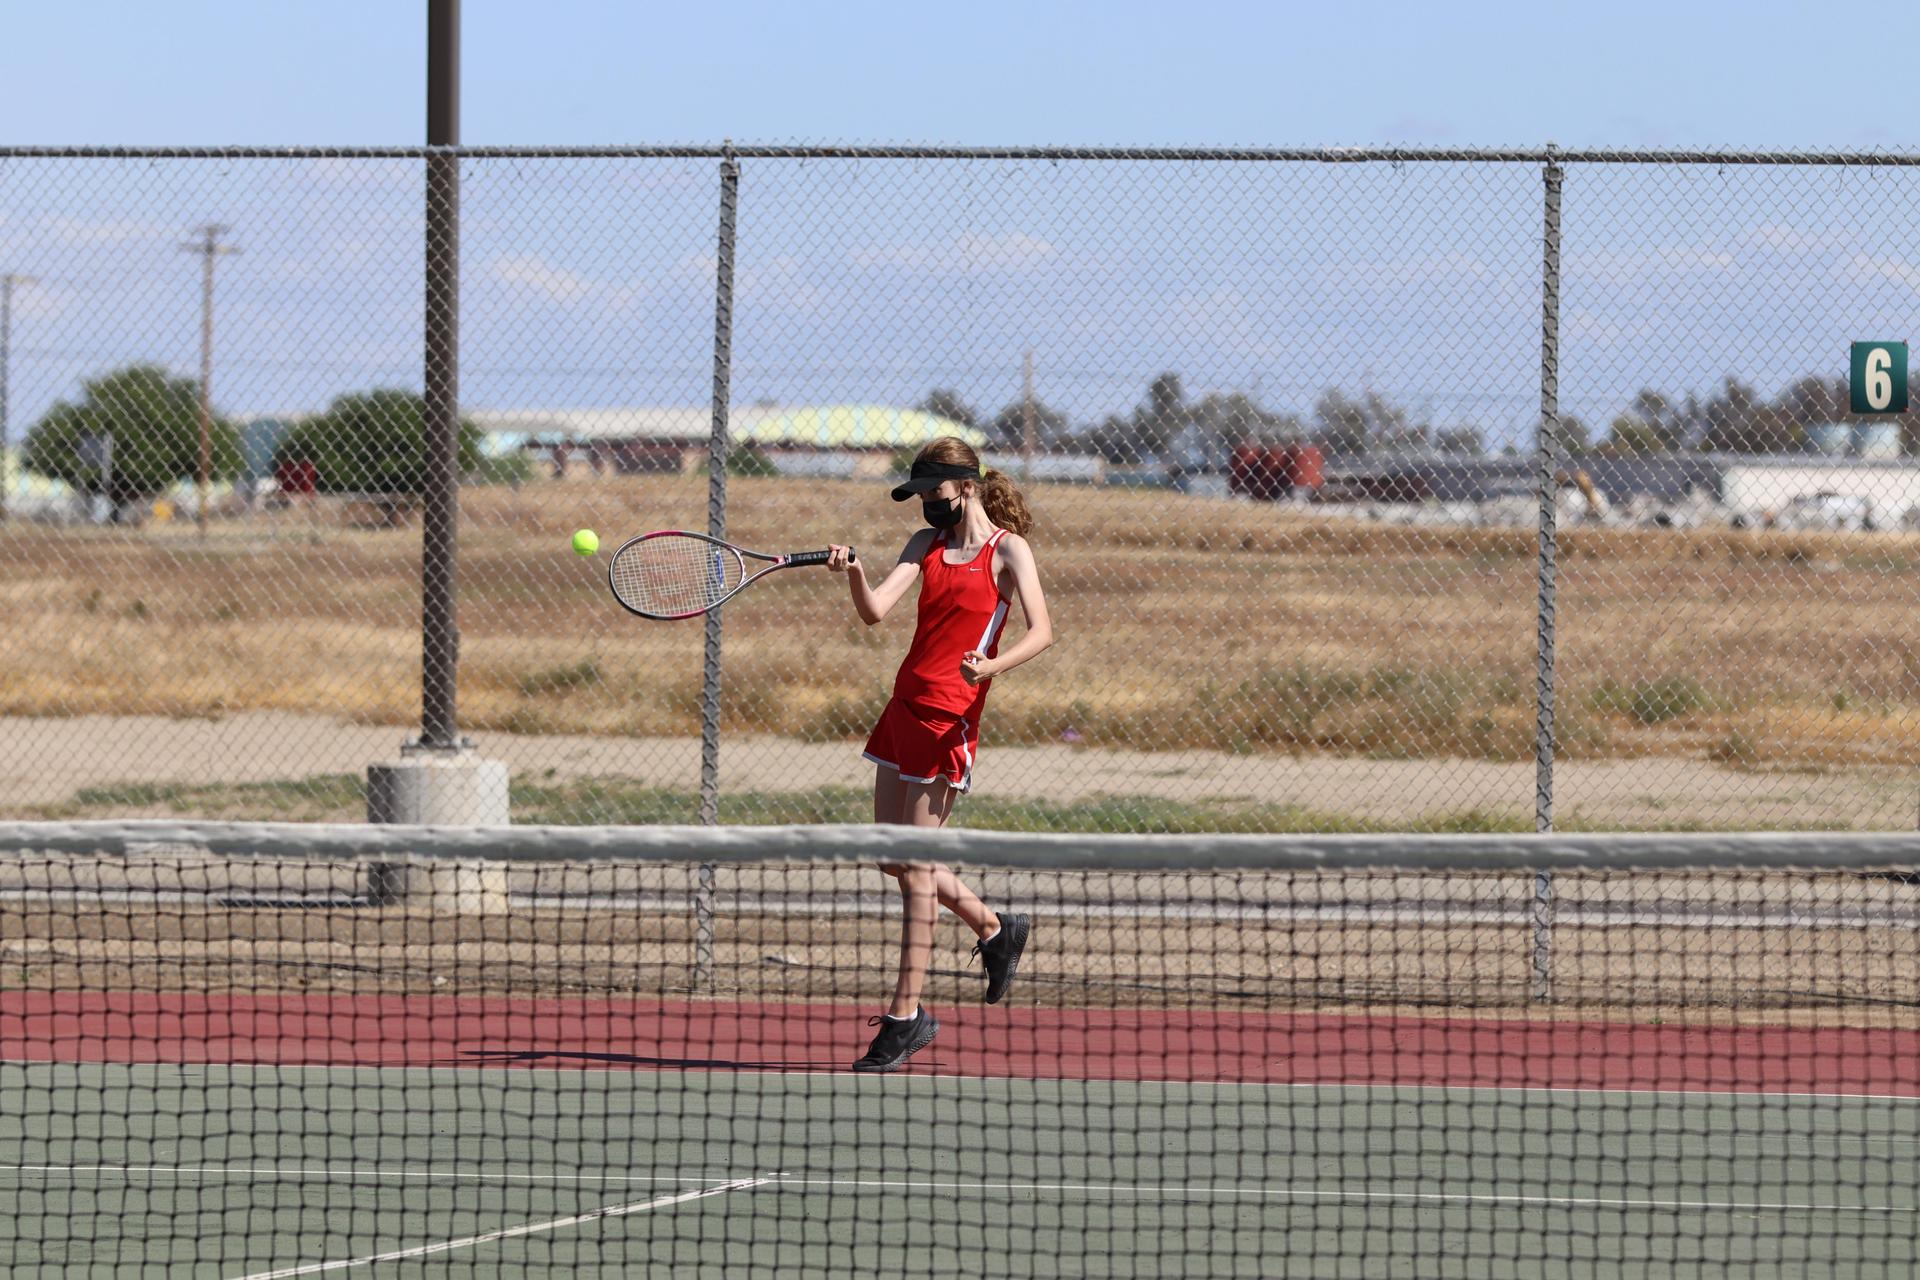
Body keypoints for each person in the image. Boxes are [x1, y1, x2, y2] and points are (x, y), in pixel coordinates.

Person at [826, 436, 1055, 1073]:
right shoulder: (924, 545)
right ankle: (994, 927)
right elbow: (874, 611)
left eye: (934, 493)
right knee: (893, 859)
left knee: (919, 876)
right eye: (920, 495)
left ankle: (905, 1017)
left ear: (967, 486)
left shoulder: (1008, 550)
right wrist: (853, 572)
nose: (926, 504)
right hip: (903, 710)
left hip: (947, 720)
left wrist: (991, 666)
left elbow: (1042, 631)